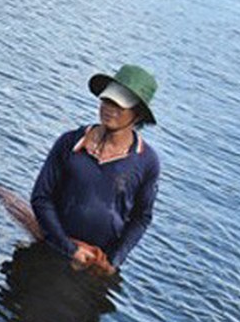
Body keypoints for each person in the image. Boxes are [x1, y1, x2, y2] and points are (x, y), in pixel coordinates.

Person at [29, 65, 161, 276]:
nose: (109, 108)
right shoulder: (70, 142)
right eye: (107, 100)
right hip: (51, 247)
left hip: (97, 265)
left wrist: (113, 261)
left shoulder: (147, 162)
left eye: (119, 105)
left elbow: (141, 218)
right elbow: (41, 197)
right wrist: (69, 248)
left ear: (137, 115)